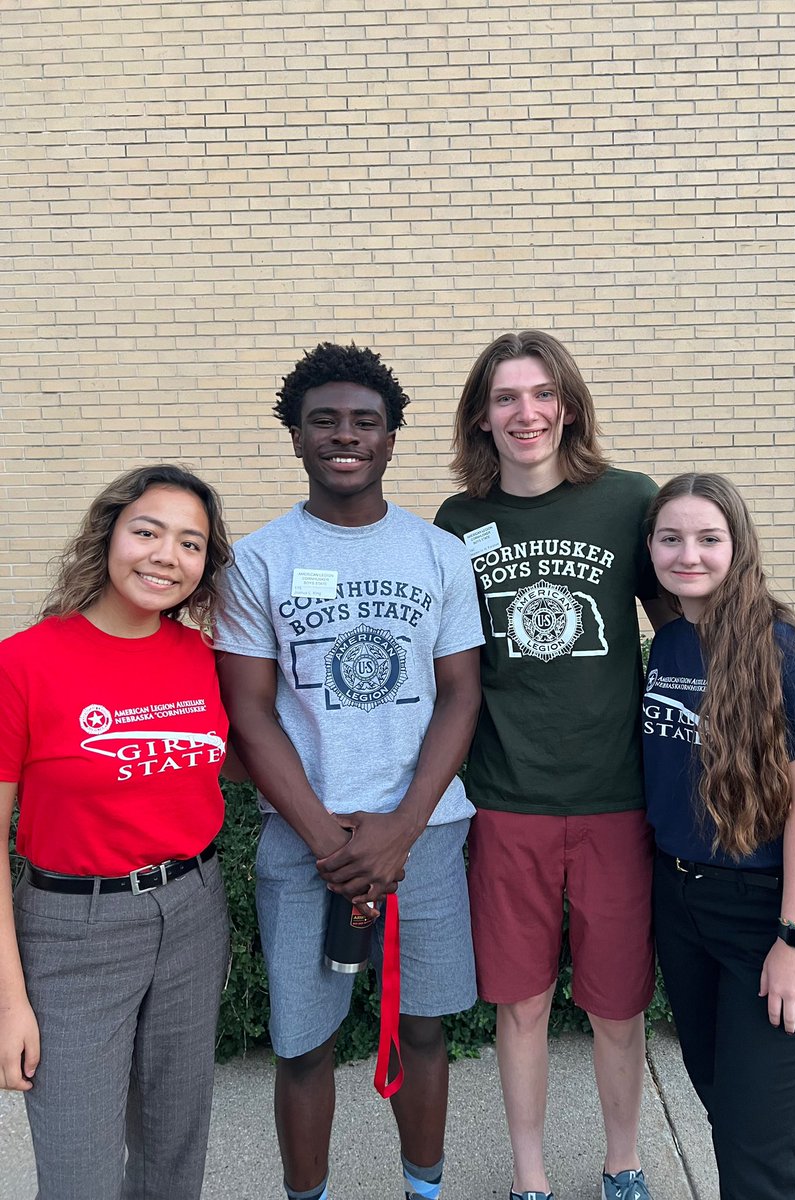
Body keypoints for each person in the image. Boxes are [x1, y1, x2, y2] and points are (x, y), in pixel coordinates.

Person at [214, 342, 484, 1200]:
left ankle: (424, 1189)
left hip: (426, 837)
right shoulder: (257, 561)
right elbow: (250, 713)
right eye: (323, 420)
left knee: (426, 1029)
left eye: (365, 422)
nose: (344, 436)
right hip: (305, 843)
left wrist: (401, 828)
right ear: (295, 436)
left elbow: (460, 697)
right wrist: (334, 841)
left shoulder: (438, 554)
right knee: (303, 1044)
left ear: (391, 440)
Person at [435, 331, 668, 1200]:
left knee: (617, 1007)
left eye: (540, 394)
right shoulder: (461, 522)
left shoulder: (627, 502)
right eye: (504, 398)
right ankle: (530, 1177)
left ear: (566, 405)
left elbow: (683, 621)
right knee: (522, 1003)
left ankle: (624, 1162)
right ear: (482, 416)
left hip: (615, 797)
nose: (524, 413)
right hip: (507, 801)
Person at [0, 464, 233, 1200]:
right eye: (148, 531)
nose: (167, 555)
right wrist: (10, 1002)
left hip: (194, 911)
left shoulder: (200, 658)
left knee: (174, 1153)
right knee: (79, 1175)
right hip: (71, 932)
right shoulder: (23, 663)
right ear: (108, 536)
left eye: (190, 543)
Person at [643, 472, 795, 1200]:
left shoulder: (790, 648)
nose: (688, 554)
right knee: (728, 1115)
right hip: (683, 908)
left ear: (740, 546)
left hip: (771, 913)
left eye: (708, 538)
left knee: (756, 1152)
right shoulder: (669, 642)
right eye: (671, 538)